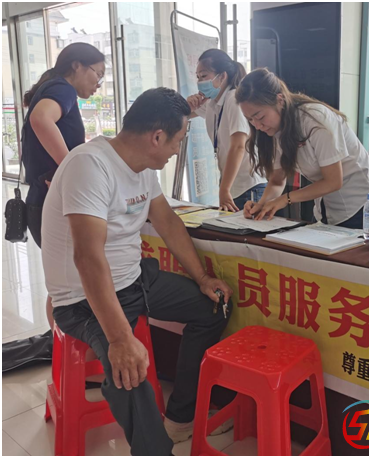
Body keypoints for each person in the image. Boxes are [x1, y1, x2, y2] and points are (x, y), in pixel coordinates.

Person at [41, 88, 234, 455]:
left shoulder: (143, 168)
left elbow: (168, 223)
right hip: (83, 299)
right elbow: (88, 258)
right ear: (156, 137)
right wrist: (119, 339)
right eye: (178, 140)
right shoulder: (89, 165)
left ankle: (180, 418)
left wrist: (203, 278)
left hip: (134, 280)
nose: (177, 149)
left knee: (213, 306)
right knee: (128, 370)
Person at [235, 68, 369, 229]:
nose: (257, 126)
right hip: (327, 206)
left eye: (260, 117)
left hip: (362, 202)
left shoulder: (315, 119)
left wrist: (284, 199)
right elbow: (276, 181)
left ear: (280, 100)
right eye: (250, 120)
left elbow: (333, 181)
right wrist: (262, 205)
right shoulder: (272, 130)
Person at [21, 42, 105, 330]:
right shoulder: (63, 88)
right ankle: (62, 348)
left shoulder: (55, 88)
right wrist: (70, 167)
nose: (98, 83)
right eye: (98, 74)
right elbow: (40, 119)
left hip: (42, 198)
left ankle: (60, 347)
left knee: (64, 281)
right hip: (49, 201)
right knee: (68, 284)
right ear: (77, 66)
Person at [186, 49, 266, 211]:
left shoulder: (233, 98)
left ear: (222, 76)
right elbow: (184, 114)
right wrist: (188, 105)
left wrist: (224, 189)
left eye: (204, 76)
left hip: (248, 187)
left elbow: (238, 146)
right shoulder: (212, 103)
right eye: (198, 77)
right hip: (234, 187)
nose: (200, 82)